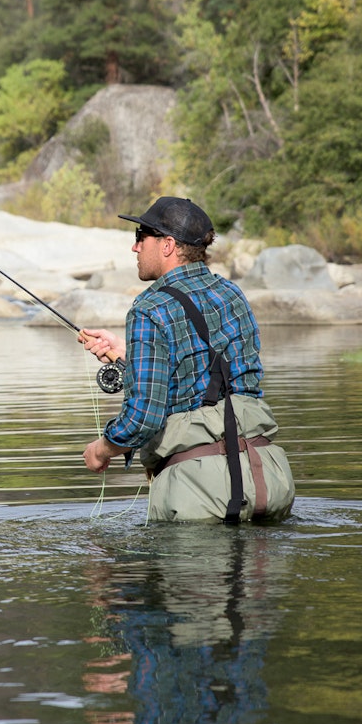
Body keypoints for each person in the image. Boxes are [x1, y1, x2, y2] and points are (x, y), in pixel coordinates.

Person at [79, 196, 294, 522]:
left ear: (167, 245)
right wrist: (131, 354)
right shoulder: (231, 293)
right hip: (267, 480)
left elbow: (142, 418)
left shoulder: (148, 309)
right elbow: (219, 373)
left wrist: (101, 449)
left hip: (197, 495)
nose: (134, 248)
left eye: (140, 236)